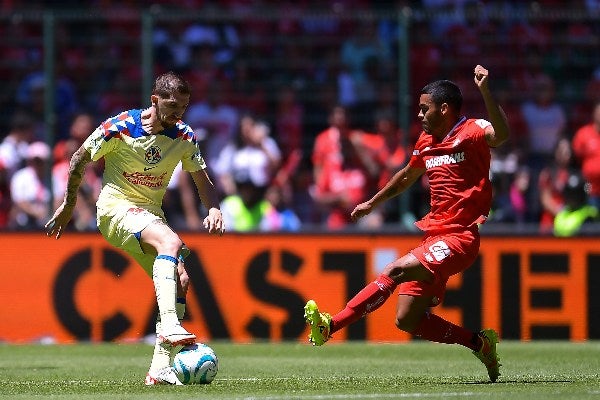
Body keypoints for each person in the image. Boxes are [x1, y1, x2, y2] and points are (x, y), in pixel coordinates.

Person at [304, 65, 509, 383]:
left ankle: (330, 325)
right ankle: (480, 343)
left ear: (444, 108)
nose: (419, 115)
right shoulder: (426, 140)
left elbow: (503, 134)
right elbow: (405, 177)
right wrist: (373, 203)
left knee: (395, 270)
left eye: (424, 108)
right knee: (408, 320)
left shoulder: (472, 130)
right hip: (434, 236)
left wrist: (484, 91)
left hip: (461, 237)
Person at [44, 72, 225, 385]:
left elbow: (202, 181)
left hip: (148, 213)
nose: (178, 114)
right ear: (154, 100)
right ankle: (169, 324)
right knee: (170, 241)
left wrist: (213, 207)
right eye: (172, 106)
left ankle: (159, 368)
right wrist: (69, 205)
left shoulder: (183, 136)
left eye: (183, 107)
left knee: (181, 279)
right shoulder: (120, 127)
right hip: (115, 210)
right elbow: (78, 159)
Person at [571, 100, 600, 209]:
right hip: (589, 187)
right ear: (594, 114)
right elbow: (575, 159)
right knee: (591, 216)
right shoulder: (583, 134)